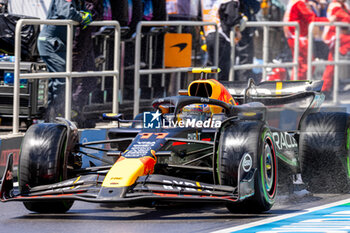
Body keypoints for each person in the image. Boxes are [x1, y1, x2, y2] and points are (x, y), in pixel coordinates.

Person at [37, 0, 92, 122]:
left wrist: (86, 14)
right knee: (61, 81)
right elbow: (66, 12)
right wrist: (82, 17)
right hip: (51, 42)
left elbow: (84, 11)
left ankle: (50, 117)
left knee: (58, 81)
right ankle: (53, 117)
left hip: (59, 44)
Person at [71, 0, 103, 127]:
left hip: (86, 40)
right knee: (70, 79)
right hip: (77, 40)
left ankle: (76, 111)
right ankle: (68, 113)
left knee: (91, 79)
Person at [283, 0, 328, 80]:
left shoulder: (296, 2)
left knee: (301, 64)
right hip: (298, 37)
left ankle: (296, 86)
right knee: (305, 65)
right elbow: (311, 18)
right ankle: (298, 88)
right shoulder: (299, 3)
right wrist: (329, 21)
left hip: (295, 36)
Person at [205, 0, 242, 81]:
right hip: (221, 36)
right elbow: (231, 20)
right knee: (222, 70)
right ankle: (219, 92)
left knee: (213, 68)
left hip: (210, 34)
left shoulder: (219, 1)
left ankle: (209, 91)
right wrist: (238, 27)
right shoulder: (231, 1)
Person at [321, 0, 350, 94]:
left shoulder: (343, 5)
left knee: (331, 64)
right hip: (332, 36)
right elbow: (346, 18)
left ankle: (326, 89)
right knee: (331, 64)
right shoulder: (335, 6)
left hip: (338, 36)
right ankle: (325, 89)